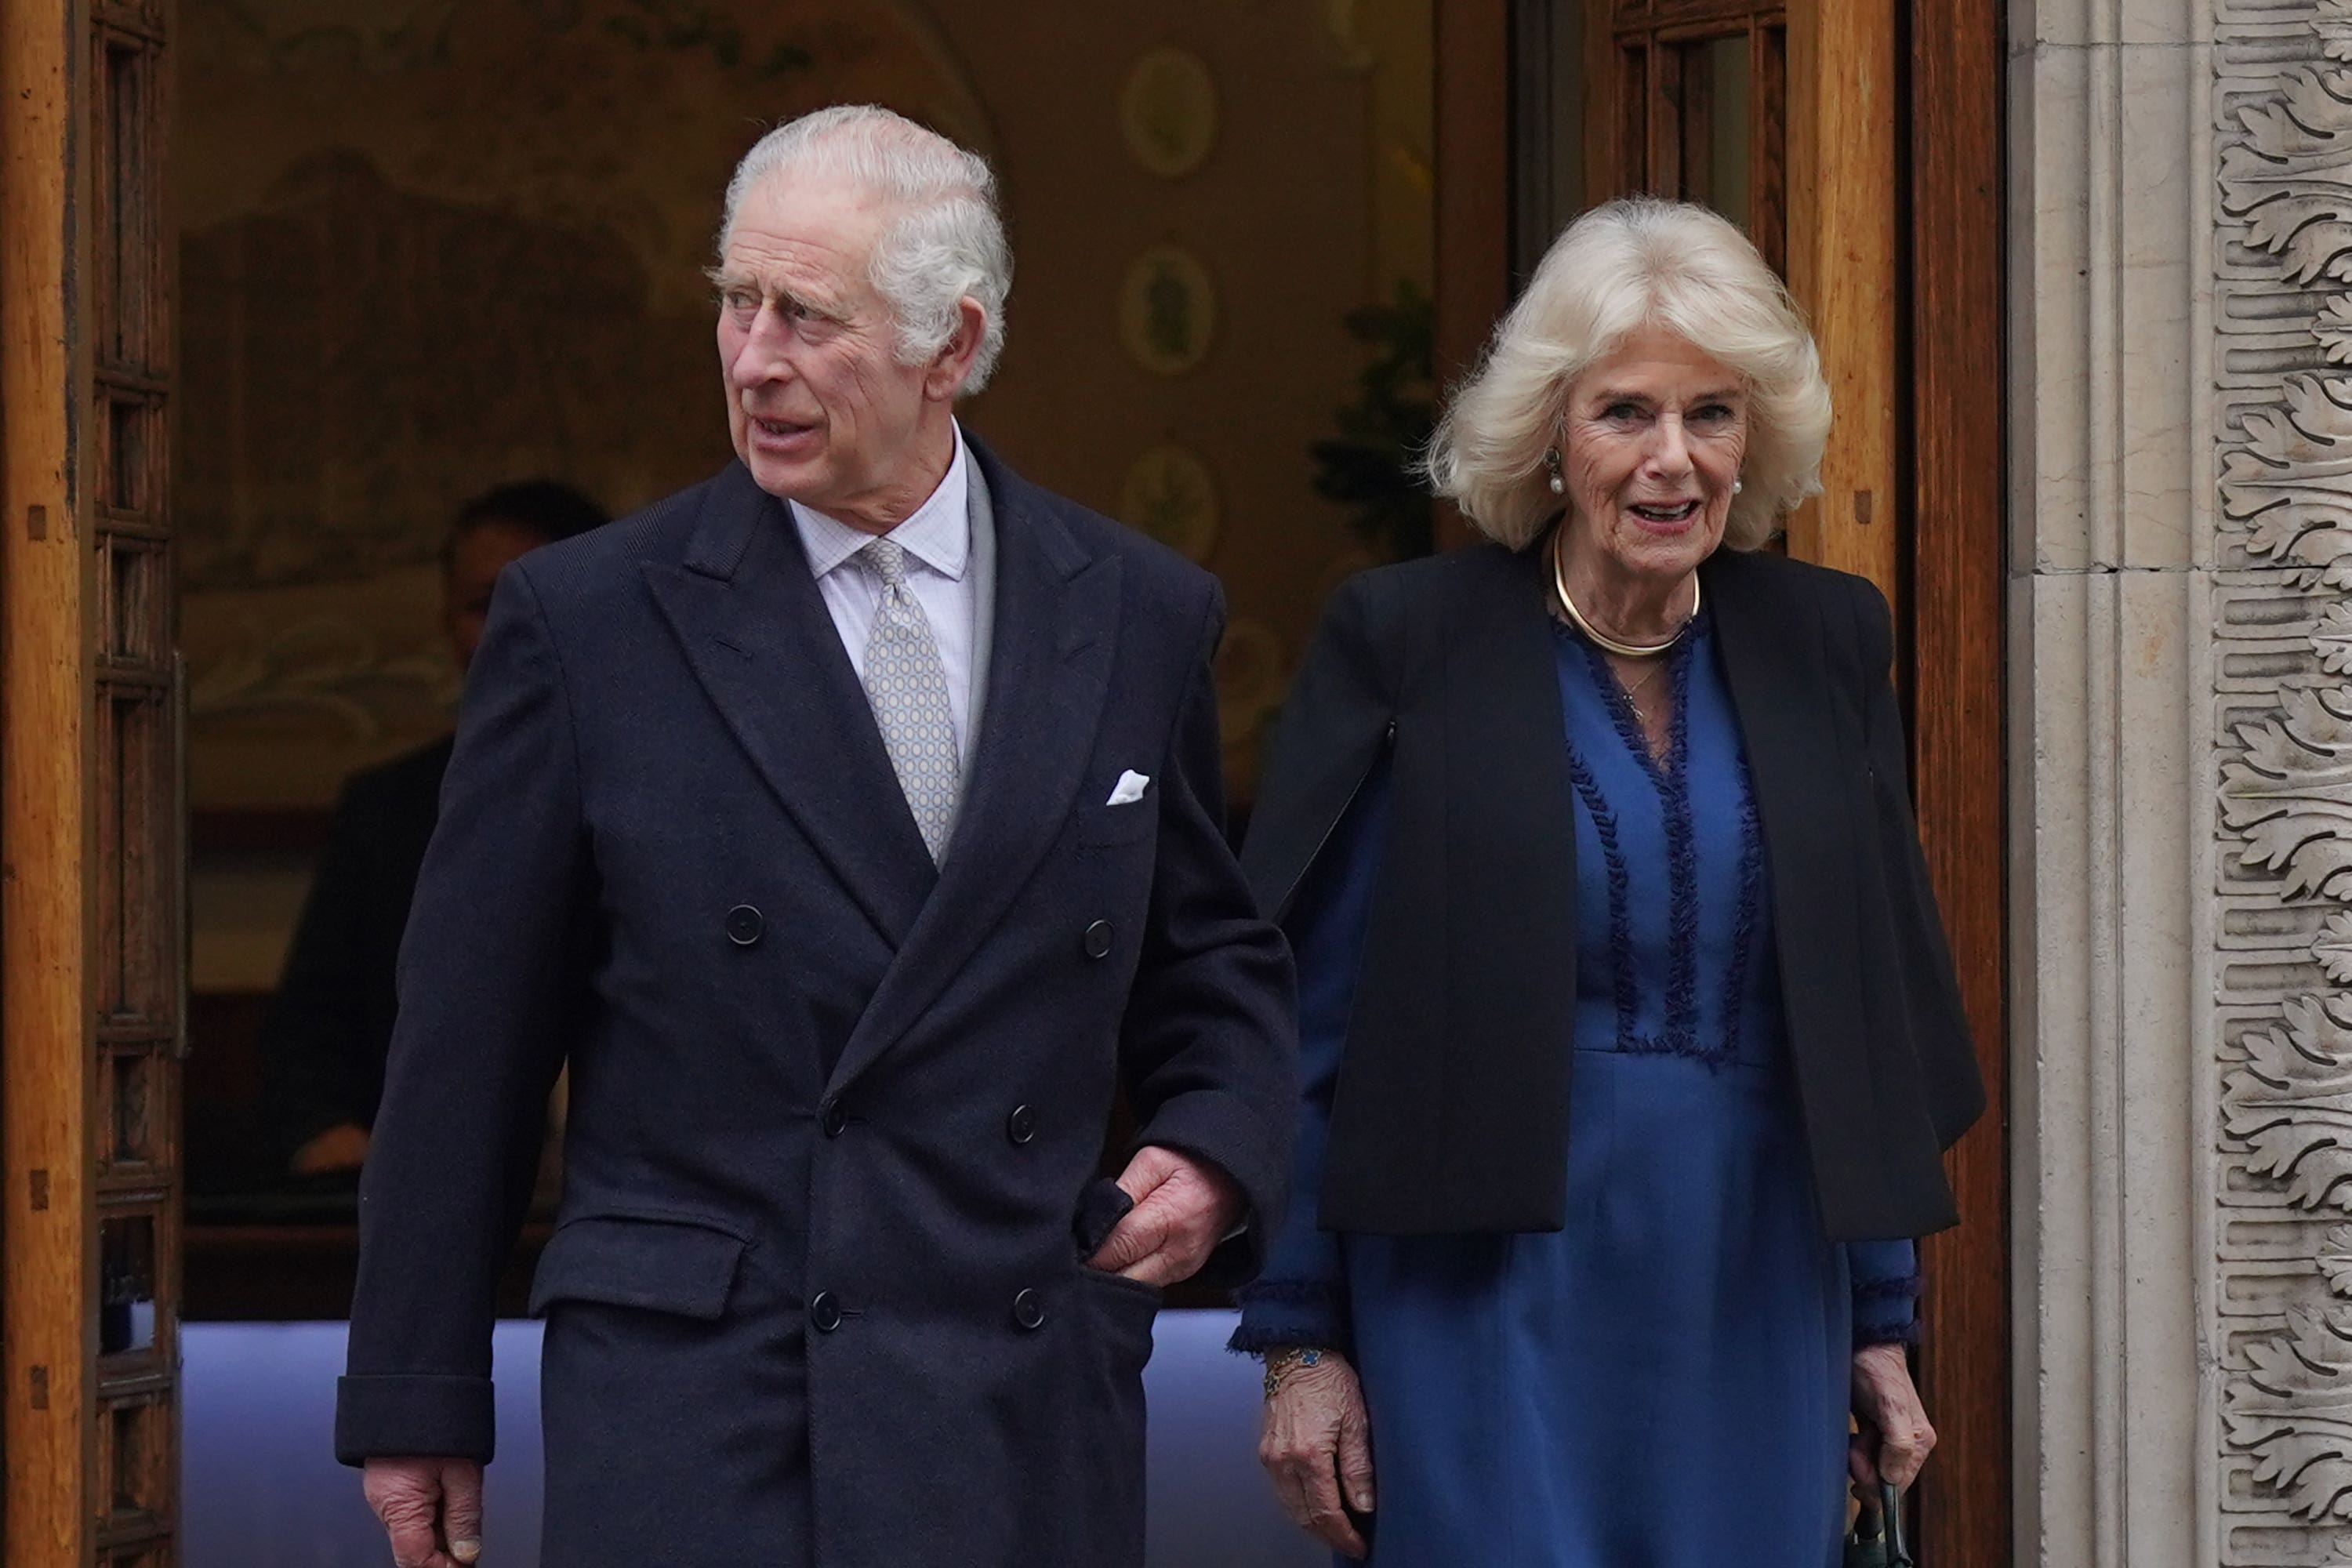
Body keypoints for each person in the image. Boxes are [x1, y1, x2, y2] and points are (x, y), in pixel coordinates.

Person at [334, 103, 1294, 1568]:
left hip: (1015, 1391)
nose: (754, 359)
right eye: (736, 300)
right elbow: (466, 1039)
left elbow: (1209, 955)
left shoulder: (1142, 612)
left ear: (951, 347)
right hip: (707, 1403)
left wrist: (1217, 1148)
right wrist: (417, 1396)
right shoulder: (589, 624)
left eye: (809, 317)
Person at [1231, 198, 1985, 1566]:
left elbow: (1860, 1014)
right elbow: (1308, 1021)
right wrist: (1300, 1339)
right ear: (1548, 432)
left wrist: (1880, 1322)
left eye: (1712, 414)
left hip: (1755, 1282)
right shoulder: (1411, 645)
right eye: (1625, 412)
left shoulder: (1824, 639)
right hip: (1482, 1285)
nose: (1672, 461)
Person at [263, 481, 608, 1178]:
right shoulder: (385, 809)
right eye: (485, 607)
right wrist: (333, 1138)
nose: (513, 628)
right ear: (446, 624)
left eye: (541, 600)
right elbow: (310, 1028)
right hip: (431, 1197)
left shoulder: (697, 789)